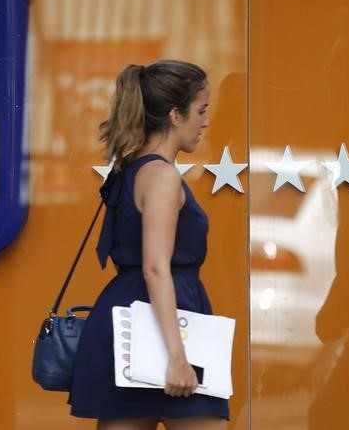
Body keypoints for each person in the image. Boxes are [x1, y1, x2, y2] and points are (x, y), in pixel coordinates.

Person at [69, 60, 229, 429]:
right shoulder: (162, 176)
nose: (205, 122)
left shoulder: (131, 168)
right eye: (200, 111)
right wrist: (177, 355)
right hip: (169, 320)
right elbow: (156, 267)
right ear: (175, 115)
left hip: (129, 319)